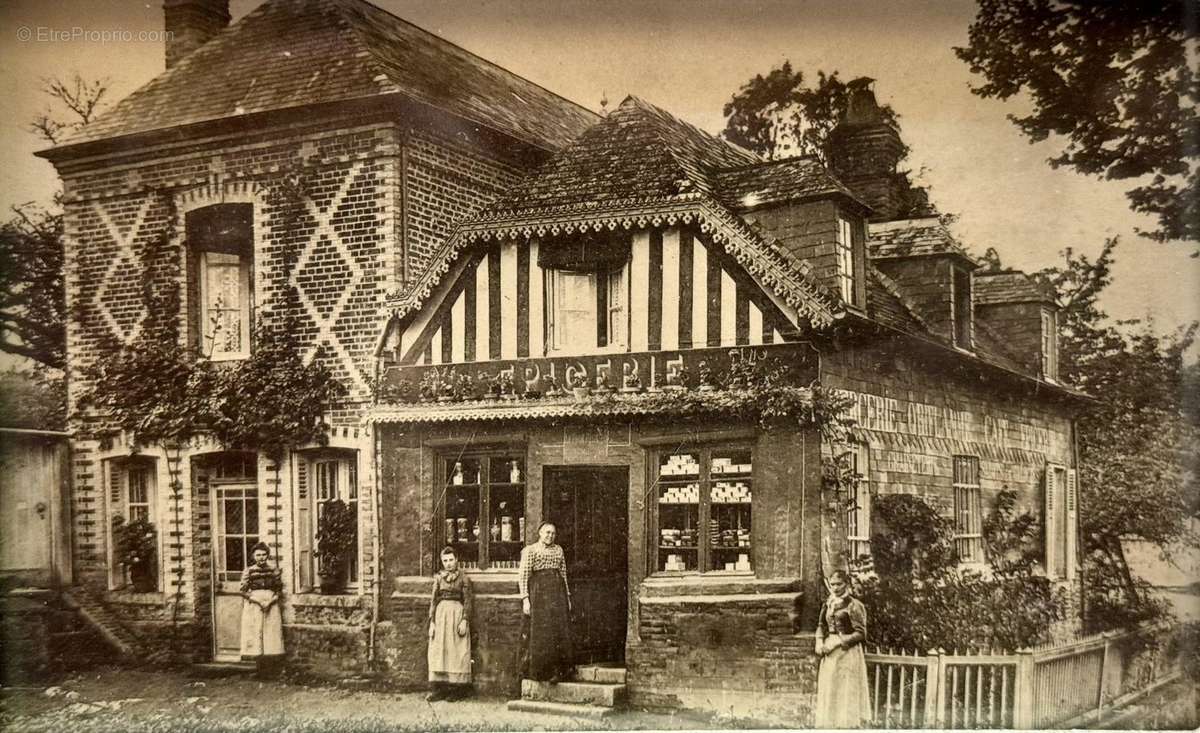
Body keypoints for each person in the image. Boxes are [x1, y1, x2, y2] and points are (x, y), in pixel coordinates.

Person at [814, 569, 871, 728]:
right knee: (831, 688)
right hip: (830, 653)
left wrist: (838, 642)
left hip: (847, 652)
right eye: (832, 584)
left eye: (839, 584)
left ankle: (846, 726)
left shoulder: (854, 605)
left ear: (846, 584)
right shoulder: (828, 603)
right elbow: (820, 625)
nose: (835, 588)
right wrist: (819, 641)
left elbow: (861, 633)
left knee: (845, 690)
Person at [518, 521, 573, 682]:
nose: (550, 536)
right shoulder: (530, 550)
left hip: (557, 595)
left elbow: (563, 574)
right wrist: (525, 599)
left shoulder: (559, 550)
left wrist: (567, 597)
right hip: (539, 595)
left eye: (553, 533)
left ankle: (559, 671)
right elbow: (523, 576)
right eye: (547, 532)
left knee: (558, 630)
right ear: (540, 533)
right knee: (542, 632)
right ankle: (542, 672)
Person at [427, 545, 474, 702]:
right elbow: (433, 601)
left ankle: (456, 690)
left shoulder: (464, 578)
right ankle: (439, 690)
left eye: (451, 560)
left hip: (457, 615)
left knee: (456, 651)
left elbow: (468, 601)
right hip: (441, 616)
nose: (448, 563)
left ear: (456, 560)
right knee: (439, 650)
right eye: (445, 561)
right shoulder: (438, 578)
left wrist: (464, 620)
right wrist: (432, 622)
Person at [240, 542, 284, 678]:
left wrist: (270, 602)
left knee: (270, 634)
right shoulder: (249, 571)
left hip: (271, 605)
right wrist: (258, 601)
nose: (261, 558)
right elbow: (243, 591)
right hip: (255, 605)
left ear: (267, 555)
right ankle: (259, 670)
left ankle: (270, 671)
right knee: (257, 633)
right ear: (253, 556)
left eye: (264, 554)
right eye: (258, 555)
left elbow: (279, 591)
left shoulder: (274, 570)